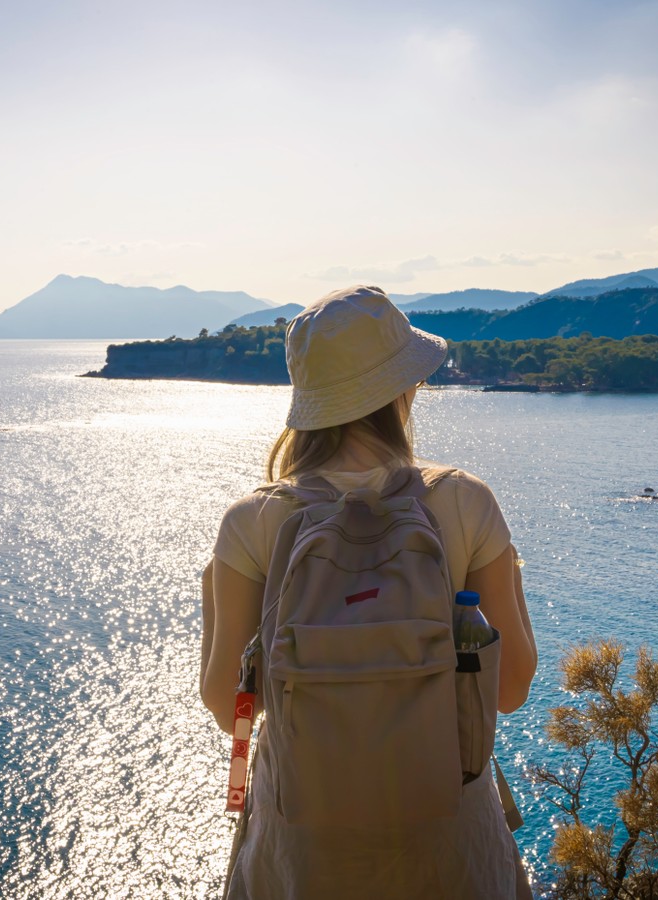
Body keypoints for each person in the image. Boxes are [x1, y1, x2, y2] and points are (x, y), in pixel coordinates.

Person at [201, 284, 538, 899]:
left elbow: (231, 710)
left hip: (303, 857)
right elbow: (511, 688)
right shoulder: (465, 500)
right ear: (401, 388)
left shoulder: (252, 520)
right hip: (450, 849)